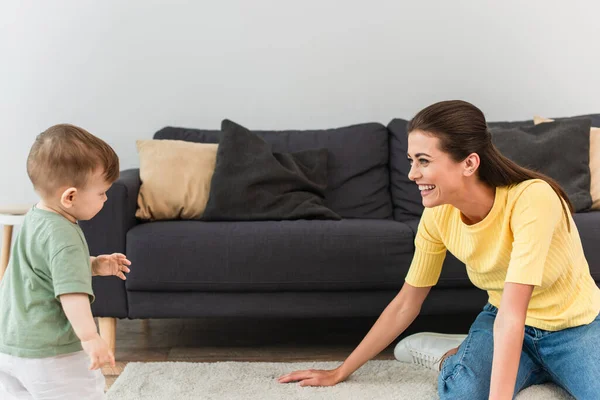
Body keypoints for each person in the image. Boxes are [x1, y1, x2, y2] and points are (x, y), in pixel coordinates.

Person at [278, 100, 600, 399]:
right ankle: (453, 356)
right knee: (461, 391)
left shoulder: (532, 199)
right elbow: (407, 303)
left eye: (423, 161)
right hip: (501, 316)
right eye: (411, 161)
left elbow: (515, 314)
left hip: (573, 326)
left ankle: (512, 362)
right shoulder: (437, 215)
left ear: (470, 163)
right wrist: (340, 371)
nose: (411, 174)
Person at [0, 124, 132, 399]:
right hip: (52, 353)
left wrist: (93, 264)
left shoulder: (35, 217)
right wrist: (90, 338)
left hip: (11, 345)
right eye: (101, 193)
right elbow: (71, 293)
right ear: (70, 196)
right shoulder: (66, 236)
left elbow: (46, 269)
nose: (106, 199)